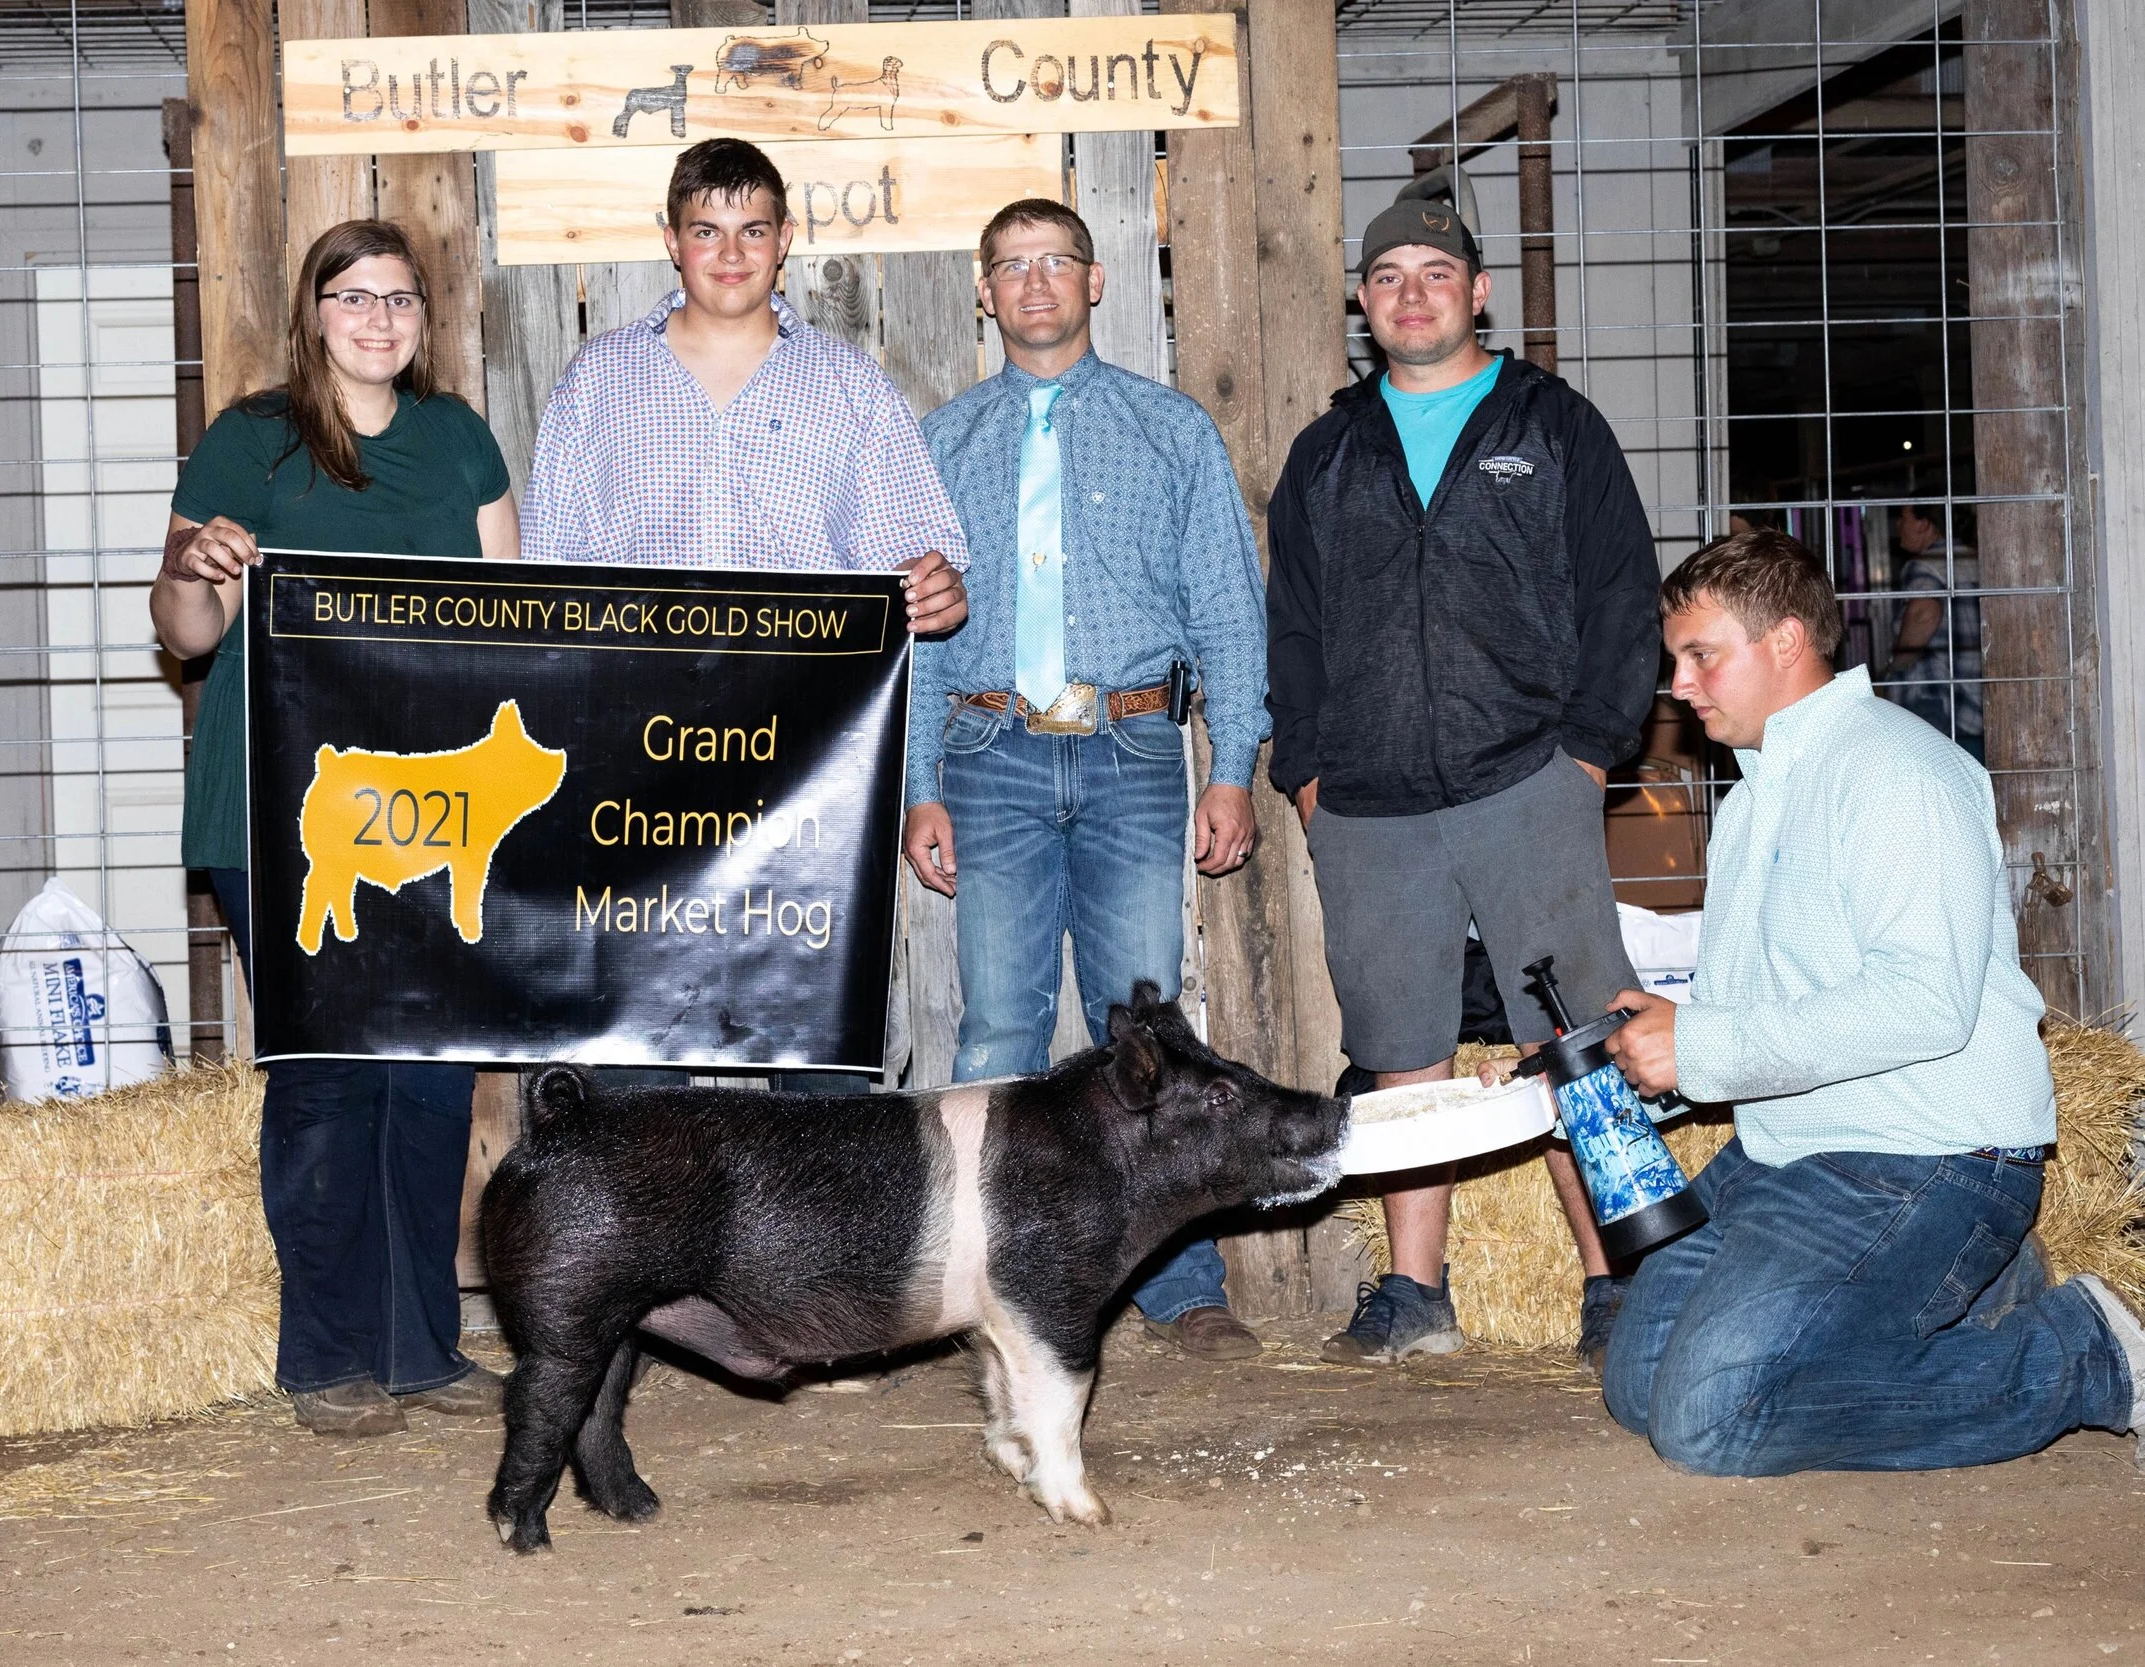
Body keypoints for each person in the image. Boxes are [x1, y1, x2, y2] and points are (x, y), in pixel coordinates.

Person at [1598, 529, 2142, 1474]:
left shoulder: (1897, 773)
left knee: (1709, 1421)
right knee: (1636, 1381)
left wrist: (1706, 1044)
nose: (1680, 684)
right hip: (1789, 1151)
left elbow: (1925, 1001)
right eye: (1675, 660)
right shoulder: (1754, 799)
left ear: (1786, 642)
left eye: (1701, 655)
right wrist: (1641, 1050)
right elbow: (1745, 1020)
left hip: (1922, 1151)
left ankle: (2084, 1351)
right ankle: (1973, 1287)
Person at [1265, 192, 1662, 1371]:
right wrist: (1308, 776)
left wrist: (1587, 750)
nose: (1412, 293)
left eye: (1435, 272)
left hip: (1524, 778)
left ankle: (1612, 1281)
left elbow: (1620, 595)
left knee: (1575, 1035)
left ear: (1477, 292)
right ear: (1362, 301)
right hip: (1370, 803)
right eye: (1387, 276)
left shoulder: (1553, 426)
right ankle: (1412, 1292)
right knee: (1402, 1046)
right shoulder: (1328, 451)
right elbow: (1292, 629)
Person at [151, 219, 517, 1438]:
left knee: (428, 1076)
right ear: (315, 312)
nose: (378, 320)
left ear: (425, 314)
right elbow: (186, 635)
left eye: (399, 299)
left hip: (432, 812)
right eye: (353, 298)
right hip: (283, 810)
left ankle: (423, 1345)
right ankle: (324, 1354)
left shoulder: (459, 440)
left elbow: (508, 618)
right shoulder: (251, 442)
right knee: (323, 1073)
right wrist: (202, 567)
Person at [902, 200, 1270, 1362]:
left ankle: (1178, 1283)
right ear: (983, 292)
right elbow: (914, 637)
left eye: (1054, 260)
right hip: (992, 750)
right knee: (998, 1022)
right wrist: (922, 784)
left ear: (1096, 280)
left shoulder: (1170, 431)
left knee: (1144, 1025)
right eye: (1009, 265)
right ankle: (979, 1283)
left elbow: (1226, 614)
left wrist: (1234, 765)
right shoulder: (943, 441)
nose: (1034, 282)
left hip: (1131, 751)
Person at [521, 137, 966, 1095]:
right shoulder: (595, 384)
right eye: (707, 231)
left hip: (808, 775)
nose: (730, 253)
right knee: (633, 1067)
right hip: (635, 768)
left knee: (820, 1068)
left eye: (752, 230)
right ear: (671, 241)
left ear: (785, 240)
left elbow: (925, 574)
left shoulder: (850, 386)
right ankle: (642, 1249)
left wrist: (936, 591)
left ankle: (822, 1250)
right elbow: (551, 591)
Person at [1883, 502, 1983, 762]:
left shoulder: (1926, 565)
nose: (1898, 526)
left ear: (1924, 524)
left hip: (1935, 699)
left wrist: (1896, 664)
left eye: (1903, 518)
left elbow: (1925, 613)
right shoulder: (1975, 560)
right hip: (1972, 702)